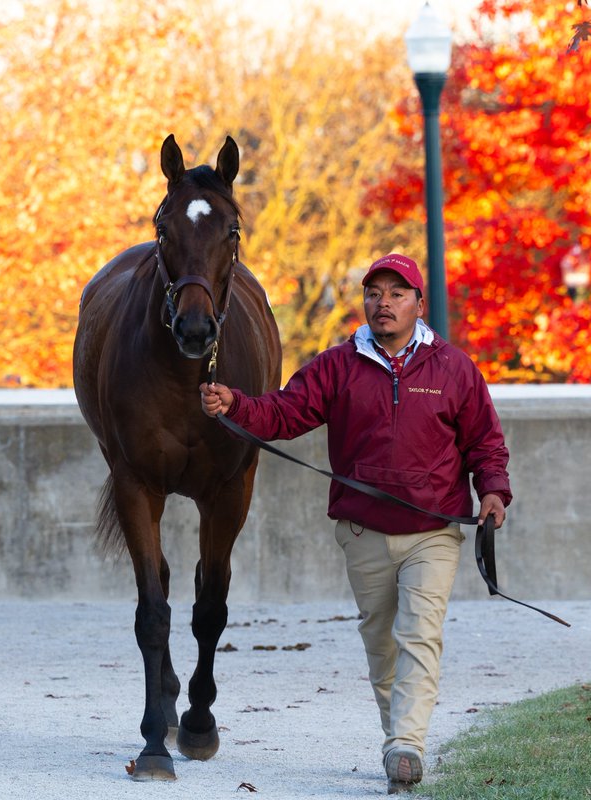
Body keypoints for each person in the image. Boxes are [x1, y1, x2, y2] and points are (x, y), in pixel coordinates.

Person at [200, 253, 510, 794]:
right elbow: (283, 413)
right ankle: (398, 740)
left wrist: (493, 491)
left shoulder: (454, 368)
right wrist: (235, 405)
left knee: (420, 635)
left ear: (418, 303)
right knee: (381, 643)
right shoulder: (337, 365)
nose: (383, 302)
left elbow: (485, 441)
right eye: (374, 293)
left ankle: (408, 745)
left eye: (396, 293)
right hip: (363, 532)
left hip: (433, 533)